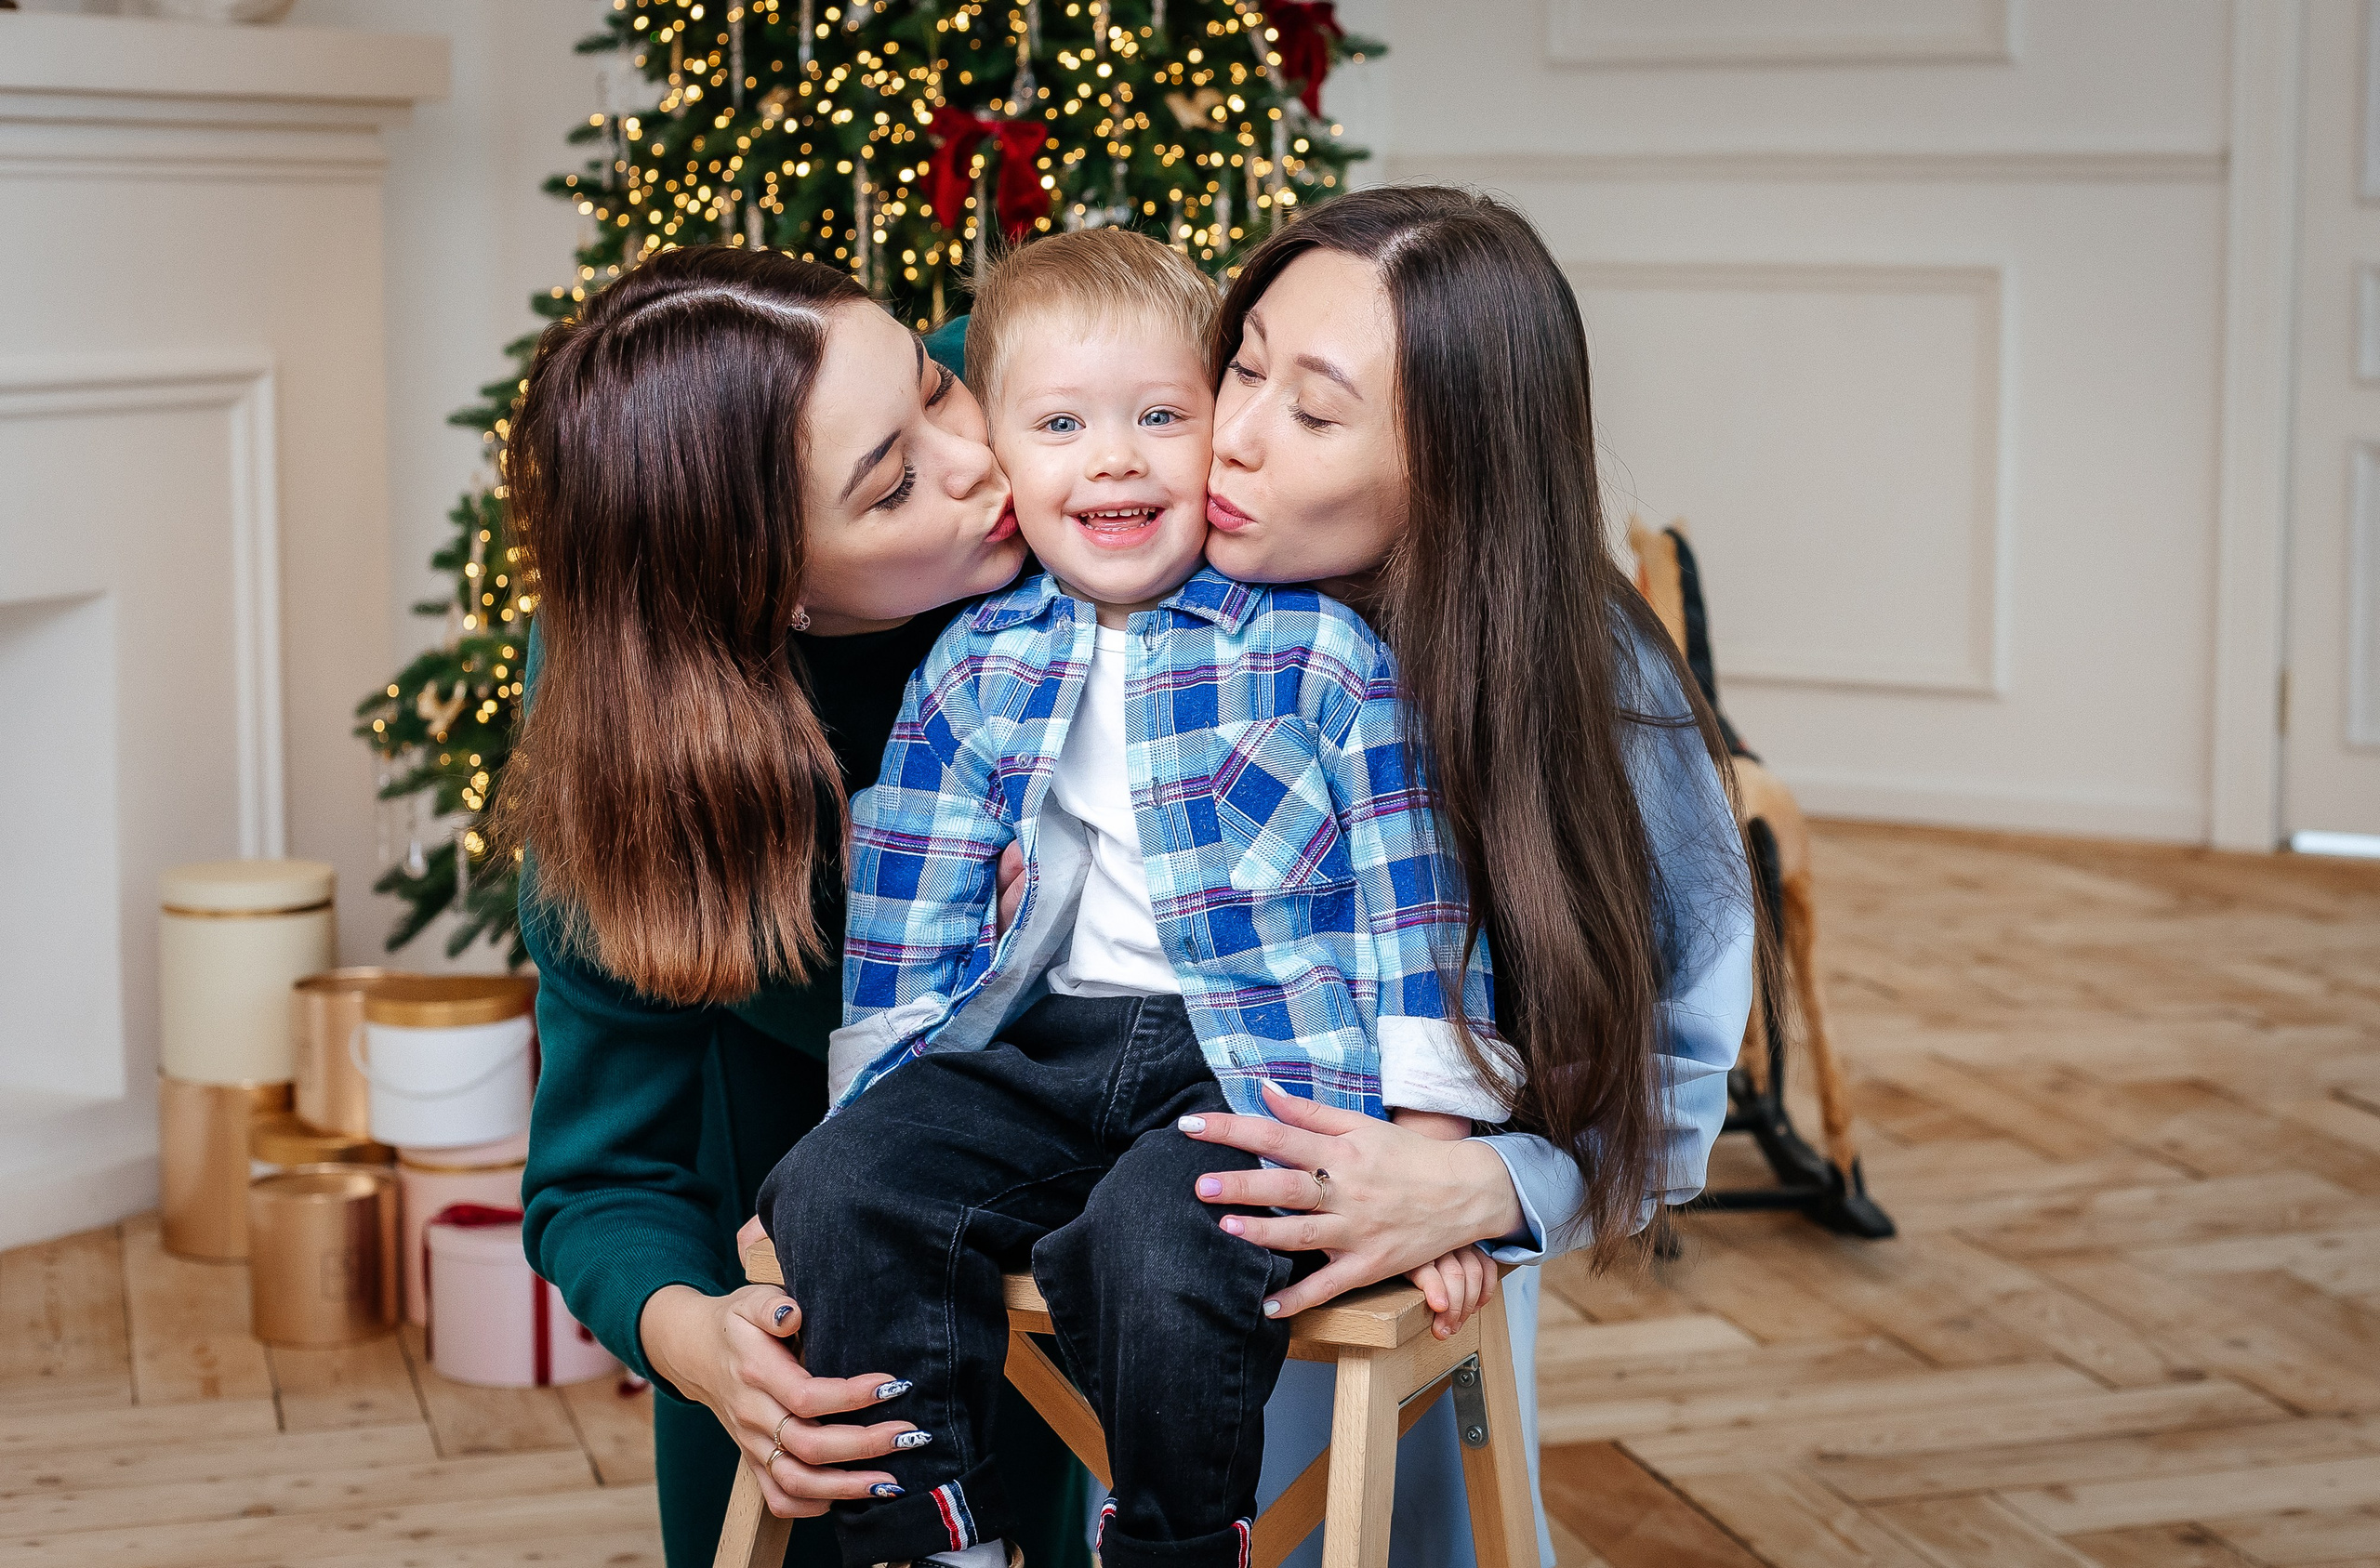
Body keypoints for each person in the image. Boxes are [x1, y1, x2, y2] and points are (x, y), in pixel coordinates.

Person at [759, 229, 1511, 1568]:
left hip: (1265, 1065)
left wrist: (1435, 1148)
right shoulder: (972, 668)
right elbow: (908, 922)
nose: (1112, 457)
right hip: (1057, 1045)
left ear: (1216, 431)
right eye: (1061, 424)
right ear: (1002, 453)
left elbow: (1417, 905)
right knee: (838, 1183)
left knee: (1162, 1241)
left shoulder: (1319, 656)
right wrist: (871, 1125)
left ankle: (1170, 1546)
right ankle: (925, 1535)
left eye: (1160, 416)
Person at [501, 244, 1096, 1568]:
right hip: (809, 1242)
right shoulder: (625, 750)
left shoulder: (1052, 400)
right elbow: (603, 1179)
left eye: (937, 388)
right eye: (889, 485)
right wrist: (697, 1339)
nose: (974, 457)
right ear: (774, 594)